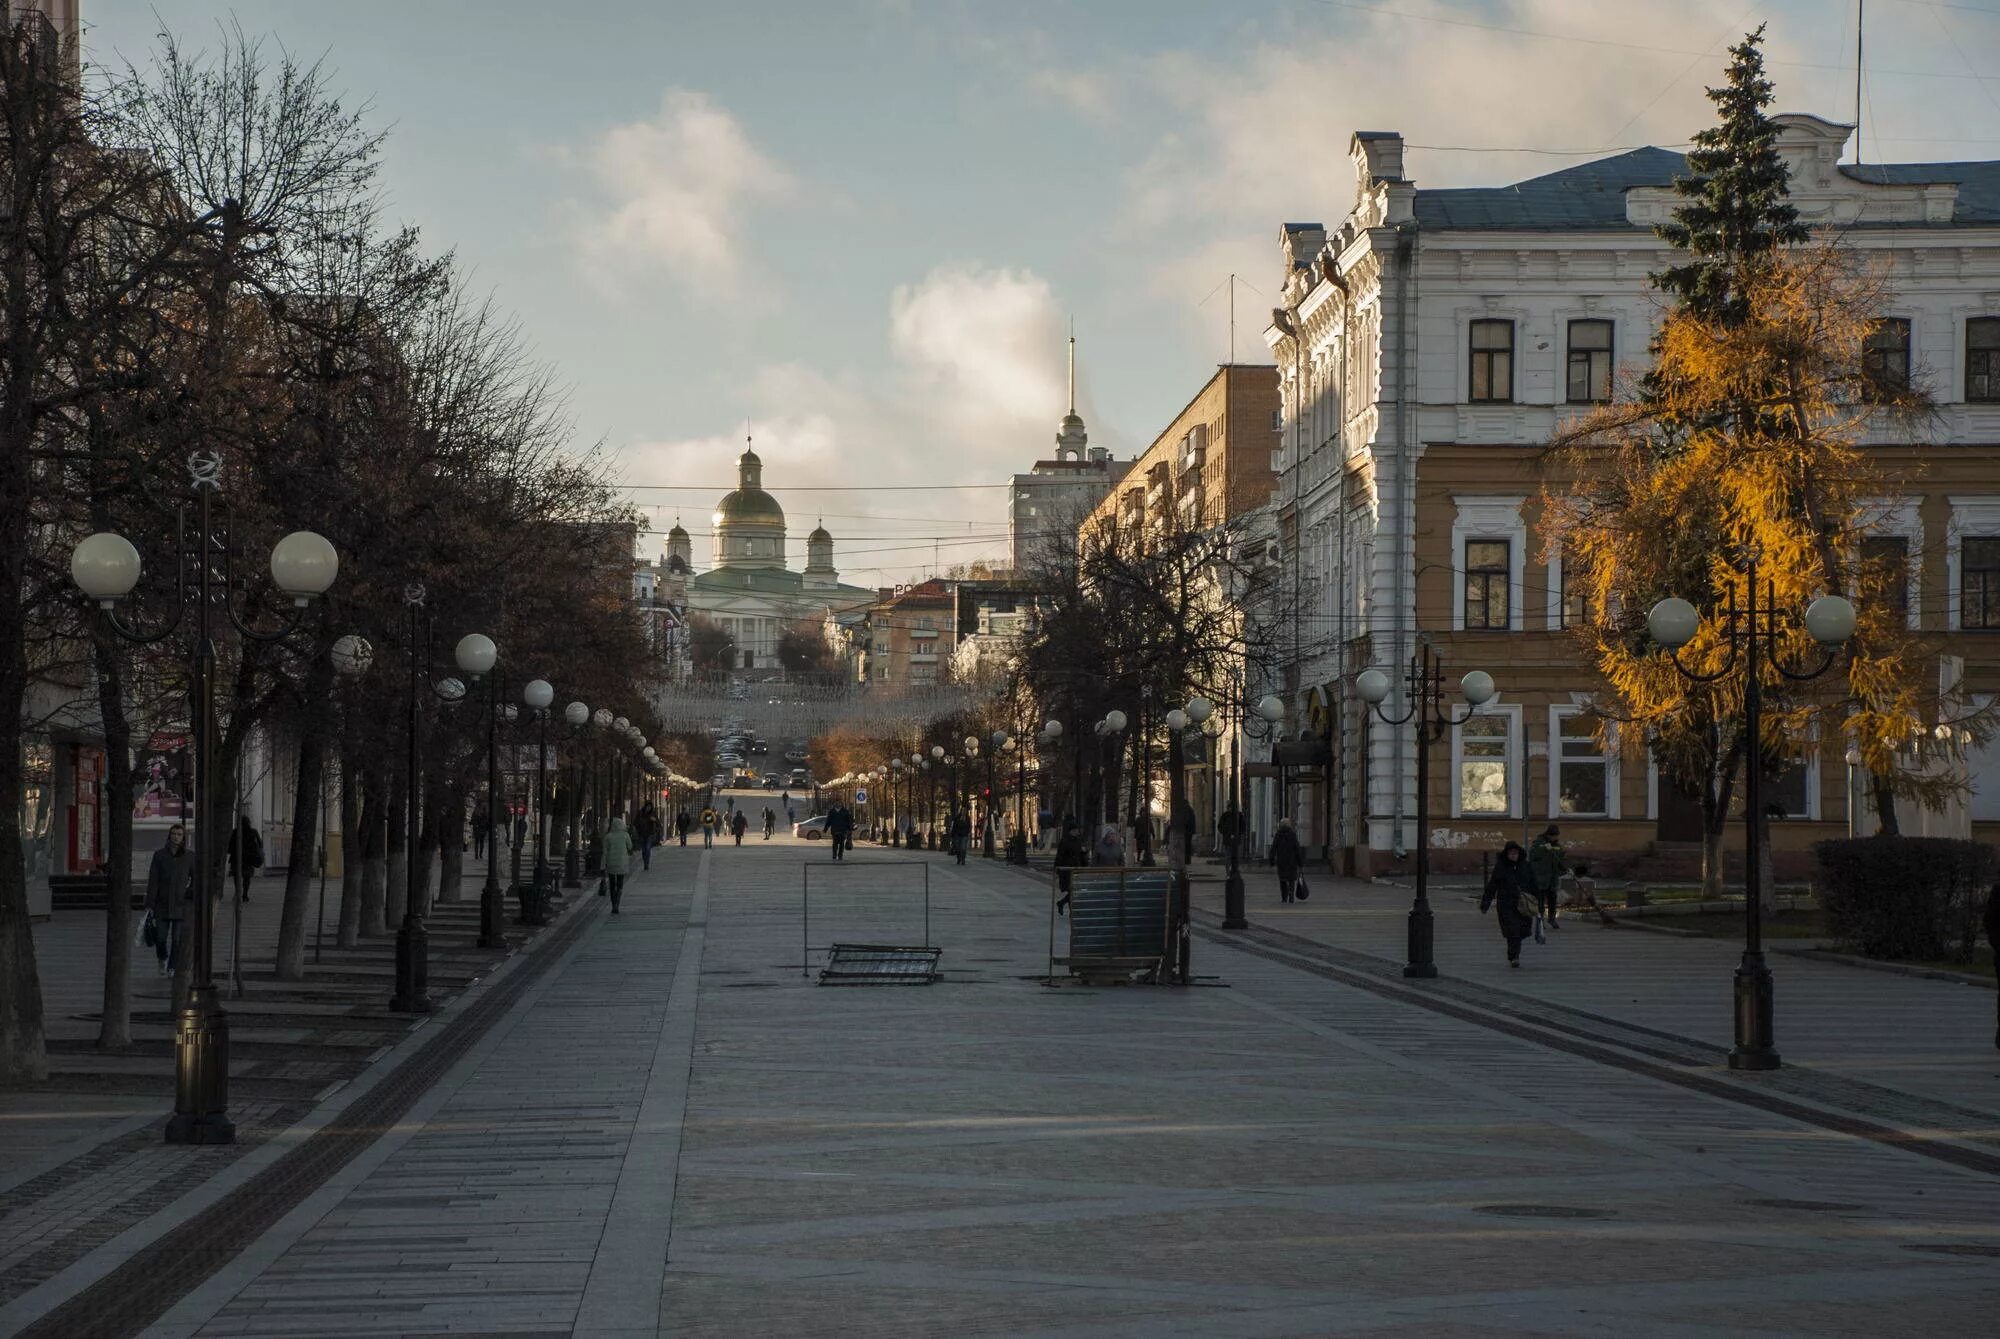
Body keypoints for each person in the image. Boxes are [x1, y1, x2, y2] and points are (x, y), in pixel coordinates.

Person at [145, 823, 195, 975]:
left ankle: (172, 966)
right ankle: (162, 958)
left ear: (184, 837)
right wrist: (150, 903)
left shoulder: (189, 856)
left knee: (177, 940)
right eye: (173, 834)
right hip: (162, 903)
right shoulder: (159, 855)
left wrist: (189, 893)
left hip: (181, 905)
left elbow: (196, 878)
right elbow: (153, 880)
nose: (176, 837)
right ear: (169, 836)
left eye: (179, 834)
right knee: (160, 937)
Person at [1480, 841, 1537, 967]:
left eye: (1515, 853)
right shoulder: (1501, 867)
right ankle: (1514, 956)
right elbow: (1492, 886)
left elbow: (1534, 884)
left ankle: (1514, 952)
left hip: (1524, 904)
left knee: (1522, 930)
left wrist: (1539, 902)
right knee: (1513, 930)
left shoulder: (1526, 866)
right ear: (1506, 854)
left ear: (1519, 853)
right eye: (1510, 853)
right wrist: (1485, 903)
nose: (1513, 856)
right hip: (1506, 904)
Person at [1528, 824, 1566, 927]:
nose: (1555, 838)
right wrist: (1544, 848)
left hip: (1553, 878)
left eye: (1557, 836)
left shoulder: (1557, 845)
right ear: (1548, 835)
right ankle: (1540, 920)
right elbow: (1533, 856)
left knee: (1552, 899)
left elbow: (1561, 860)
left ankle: (1552, 918)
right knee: (1540, 900)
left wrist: (1566, 869)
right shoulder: (1539, 843)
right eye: (1553, 836)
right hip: (1541, 877)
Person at [227, 810, 263, 903]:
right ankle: (245, 894)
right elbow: (260, 844)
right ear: (249, 823)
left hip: (237, 858)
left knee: (237, 877)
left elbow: (230, 846)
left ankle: (238, 893)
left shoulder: (236, 831)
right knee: (247, 878)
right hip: (249, 859)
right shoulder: (253, 832)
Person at [600, 815, 633, 913]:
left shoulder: (608, 837)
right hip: (622, 863)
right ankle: (617, 903)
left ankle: (613, 903)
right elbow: (630, 847)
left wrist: (602, 866)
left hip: (610, 864)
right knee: (620, 883)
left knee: (612, 884)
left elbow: (604, 852)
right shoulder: (625, 835)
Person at [1053, 821, 1086, 916]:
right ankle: (1072, 912)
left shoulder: (1078, 840)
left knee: (1075, 891)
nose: (1078, 832)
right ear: (1072, 831)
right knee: (1072, 890)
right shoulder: (1065, 841)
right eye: (1076, 830)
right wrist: (1057, 869)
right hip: (1066, 870)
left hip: (1076, 869)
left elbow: (1080, 854)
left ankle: (1062, 903)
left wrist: (1084, 861)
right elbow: (1060, 856)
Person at [1269, 818, 1303, 904]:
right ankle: (1291, 896)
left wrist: (1272, 860)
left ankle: (1284, 897)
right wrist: (1300, 862)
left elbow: (1273, 848)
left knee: (1282, 879)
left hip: (1281, 861)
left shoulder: (1278, 834)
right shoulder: (1292, 835)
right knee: (1291, 879)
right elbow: (1297, 849)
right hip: (1292, 861)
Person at [637, 802, 658, 870]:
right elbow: (635, 822)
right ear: (645, 807)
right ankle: (645, 862)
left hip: (649, 834)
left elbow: (658, 823)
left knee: (648, 849)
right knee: (643, 850)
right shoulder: (640, 813)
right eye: (647, 807)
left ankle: (647, 863)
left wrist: (654, 820)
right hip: (642, 834)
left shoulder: (653, 814)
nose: (648, 808)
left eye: (650, 807)